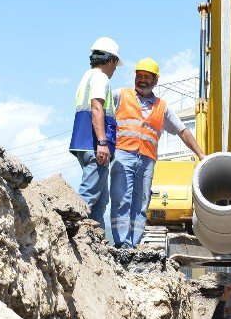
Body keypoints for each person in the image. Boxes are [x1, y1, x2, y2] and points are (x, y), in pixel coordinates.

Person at [110, 58, 205, 248]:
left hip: (147, 160)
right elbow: (99, 111)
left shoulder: (162, 107)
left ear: (155, 81)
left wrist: (201, 155)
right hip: (123, 155)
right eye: (139, 76)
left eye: (147, 77)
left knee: (141, 203)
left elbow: (182, 131)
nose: (142, 80)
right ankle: (122, 244)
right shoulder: (120, 95)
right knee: (122, 199)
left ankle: (133, 244)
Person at [68, 37, 122, 231]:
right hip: (93, 144)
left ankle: (95, 239)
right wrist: (102, 142)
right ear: (111, 60)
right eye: (116, 64)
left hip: (83, 143)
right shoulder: (101, 78)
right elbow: (97, 108)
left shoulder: (86, 76)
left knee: (100, 198)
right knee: (89, 193)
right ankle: (70, 228)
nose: (115, 69)